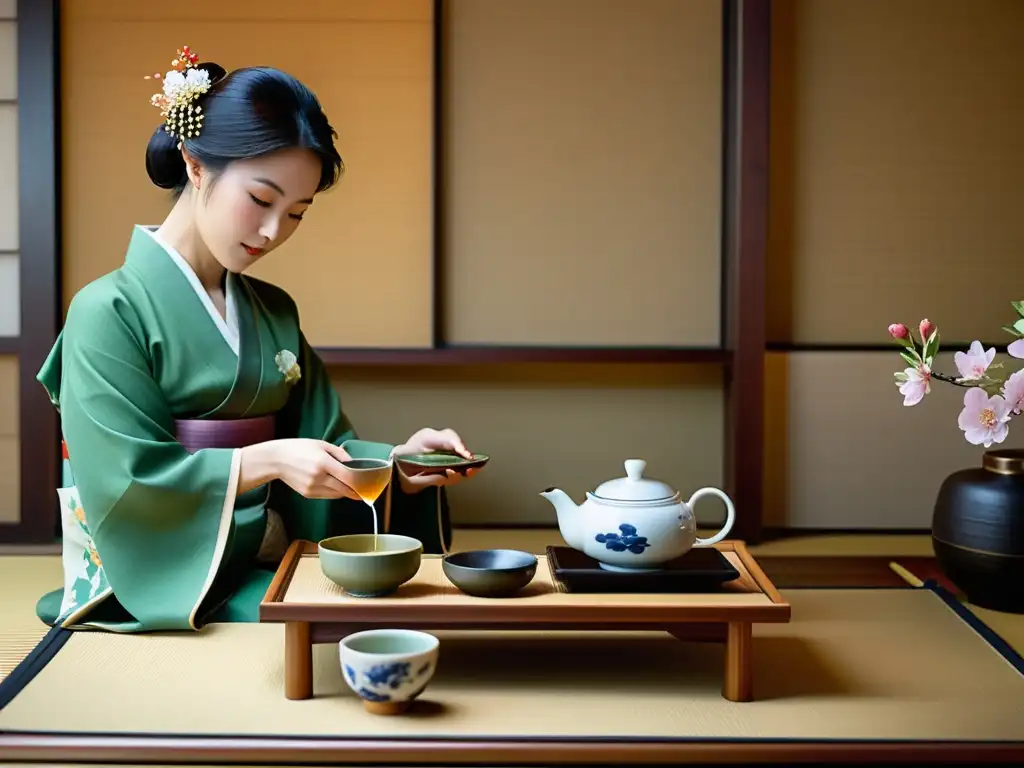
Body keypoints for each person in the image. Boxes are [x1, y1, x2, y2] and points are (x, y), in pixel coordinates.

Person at [34, 47, 482, 633]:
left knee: (384, 618)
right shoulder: (106, 311)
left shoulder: (273, 310)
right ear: (196, 166)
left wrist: (397, 464)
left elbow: (325, 442)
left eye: (297, 213)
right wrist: (263, 460)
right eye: (261, 200)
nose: (274, 232)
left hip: (272, 555)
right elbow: (127, 481)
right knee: (323, 628)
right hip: (161, 572)